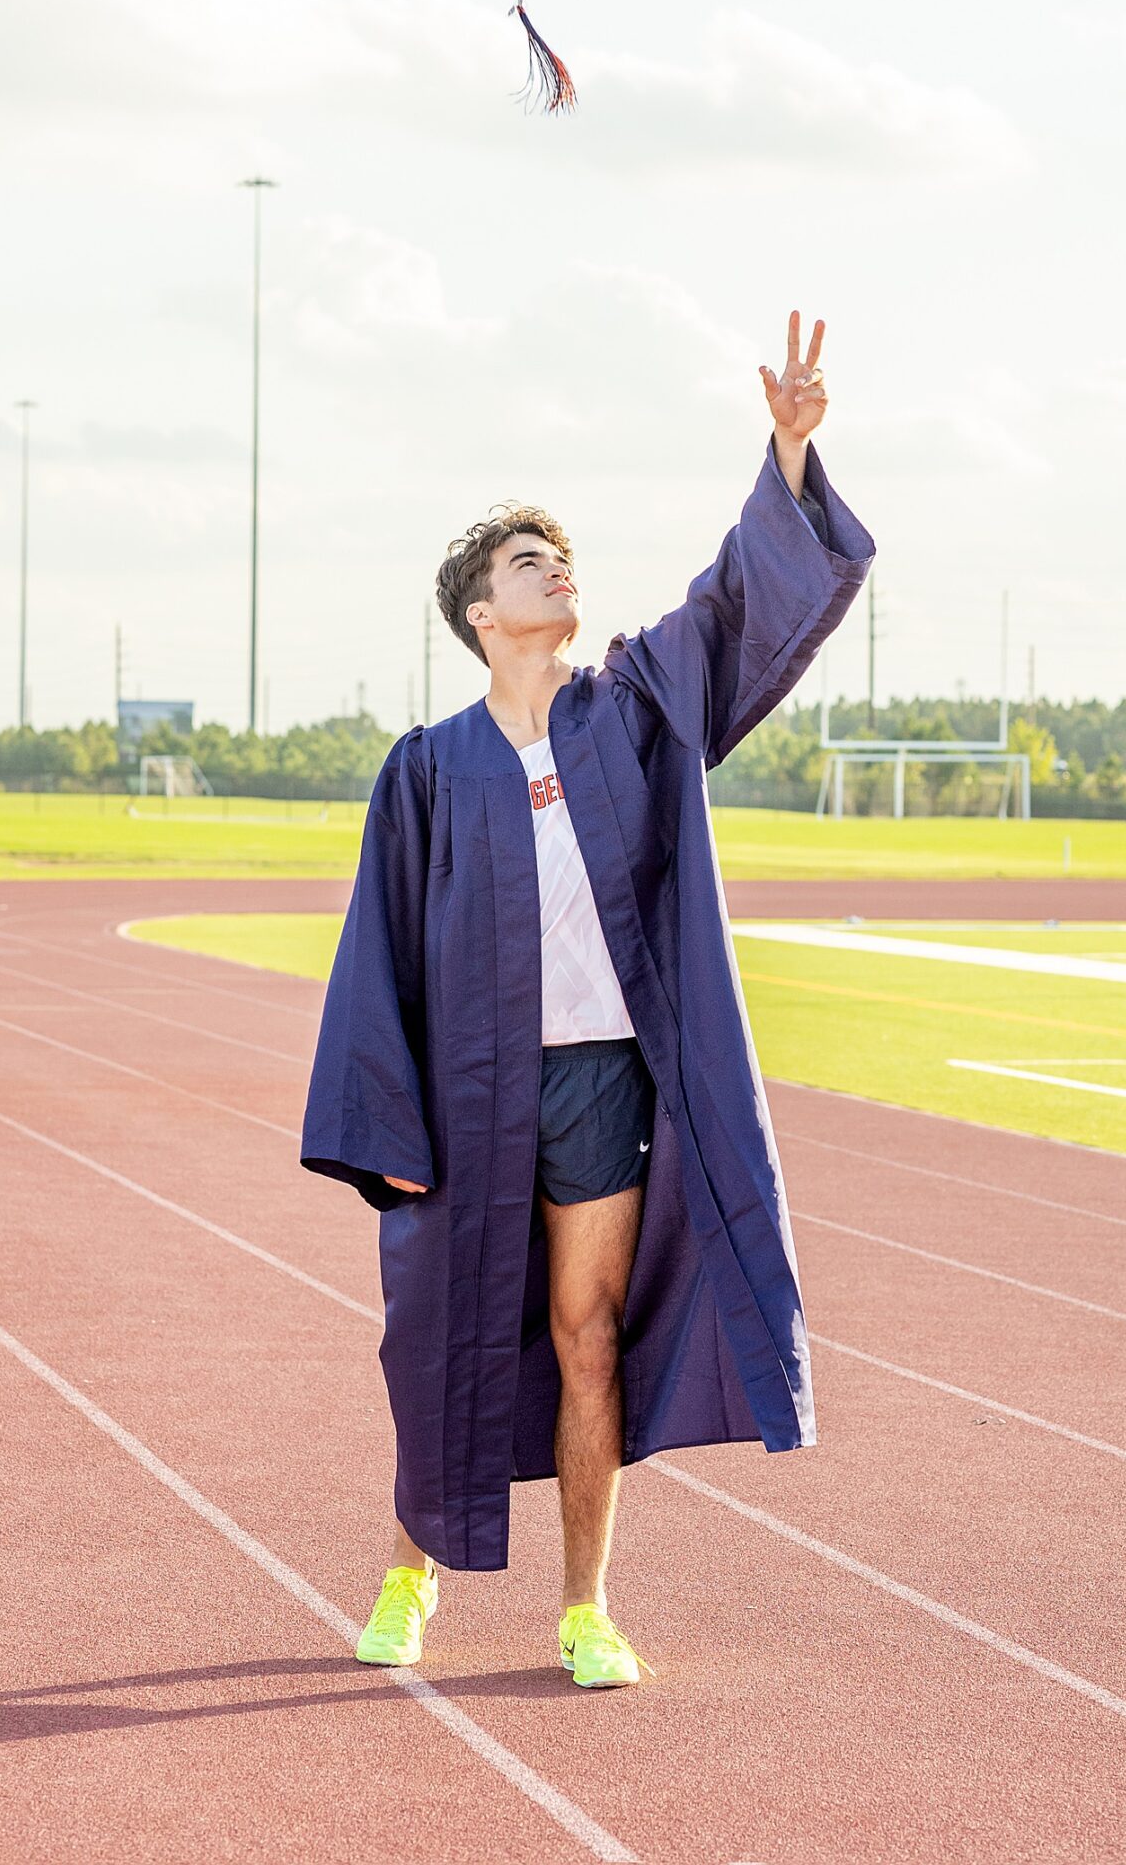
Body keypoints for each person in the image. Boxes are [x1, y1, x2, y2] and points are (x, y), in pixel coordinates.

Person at [300, 313, 873, 1687]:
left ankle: (586, 1608)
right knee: (442, 1334)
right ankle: (408, 1574)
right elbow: (376, 951)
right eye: (525, 561)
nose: (555, 571)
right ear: (482, 615)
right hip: (465, 1095)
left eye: (561, 556)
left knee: (584, 1333)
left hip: (601, 1082)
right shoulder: (428, 771)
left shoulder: (630, 709)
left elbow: (735, 605)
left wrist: (788, 458)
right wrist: (386, 1121)